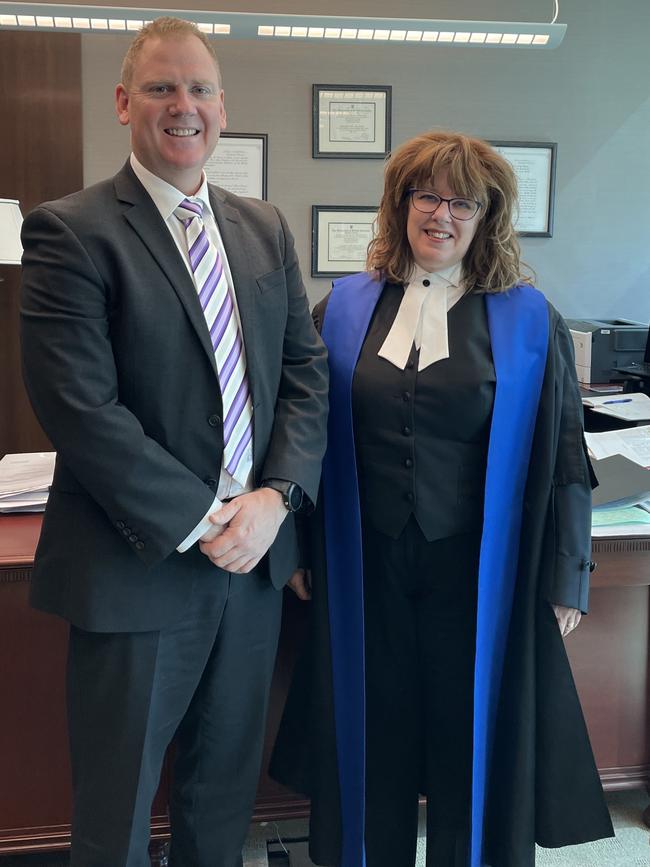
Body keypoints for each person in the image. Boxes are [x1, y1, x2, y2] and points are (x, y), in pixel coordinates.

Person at [20, 17, 328, 867]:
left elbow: (305, 371)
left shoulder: (263, 226)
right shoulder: (71, 230)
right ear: (124, 103)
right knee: (116, 814)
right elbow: (80, 407)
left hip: (252, 570)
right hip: (137, 567)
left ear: (222, 108)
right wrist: (205, 516)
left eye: (198, 88)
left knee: (223, 801)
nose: (182, 105)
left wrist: (275, 499)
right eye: (161, 87)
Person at [270, 130, 613, 867]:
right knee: (376, 733)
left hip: (477, 575)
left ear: (487, 217)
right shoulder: (347, 308)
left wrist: (567, 573)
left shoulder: (527, 320)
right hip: (366, 569)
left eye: (464, 201)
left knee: (470, 743)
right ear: (400, 206)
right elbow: (302, 434)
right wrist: (295, 545)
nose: (442, 214)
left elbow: (565, 456)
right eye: (426, 195)